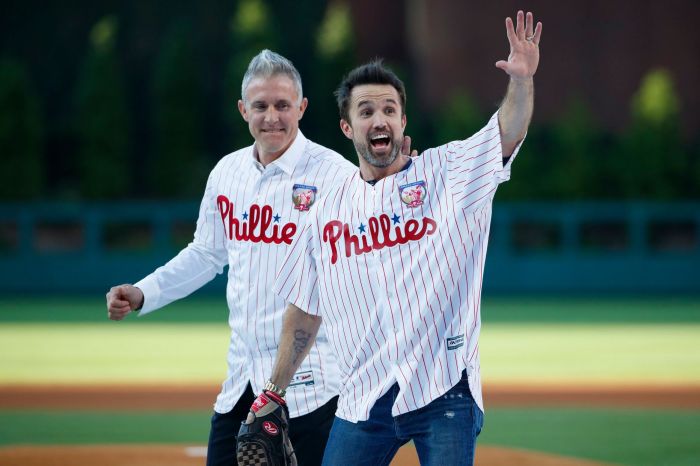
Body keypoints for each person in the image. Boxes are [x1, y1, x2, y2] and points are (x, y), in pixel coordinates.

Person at [259, 10, 542, 466]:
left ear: (402, 121)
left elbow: (507, 131)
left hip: (443, 390)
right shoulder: (326, 210)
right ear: (347, 128)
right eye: (366, 111)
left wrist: (523, 80)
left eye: (389, 109)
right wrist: (274, 392)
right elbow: (305, 309)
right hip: (362, 399)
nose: (379, 119)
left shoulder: (447, 174)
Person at [105, 50, 362, 466]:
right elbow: (206, 254)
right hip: (241, 382)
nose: (272, 116)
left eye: (282, 105)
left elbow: (368, 254)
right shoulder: (227, 173)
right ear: (243, 110)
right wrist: (142, 292)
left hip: (311, 389)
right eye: (260, 106)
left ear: (302, 107)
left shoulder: (335, 175)